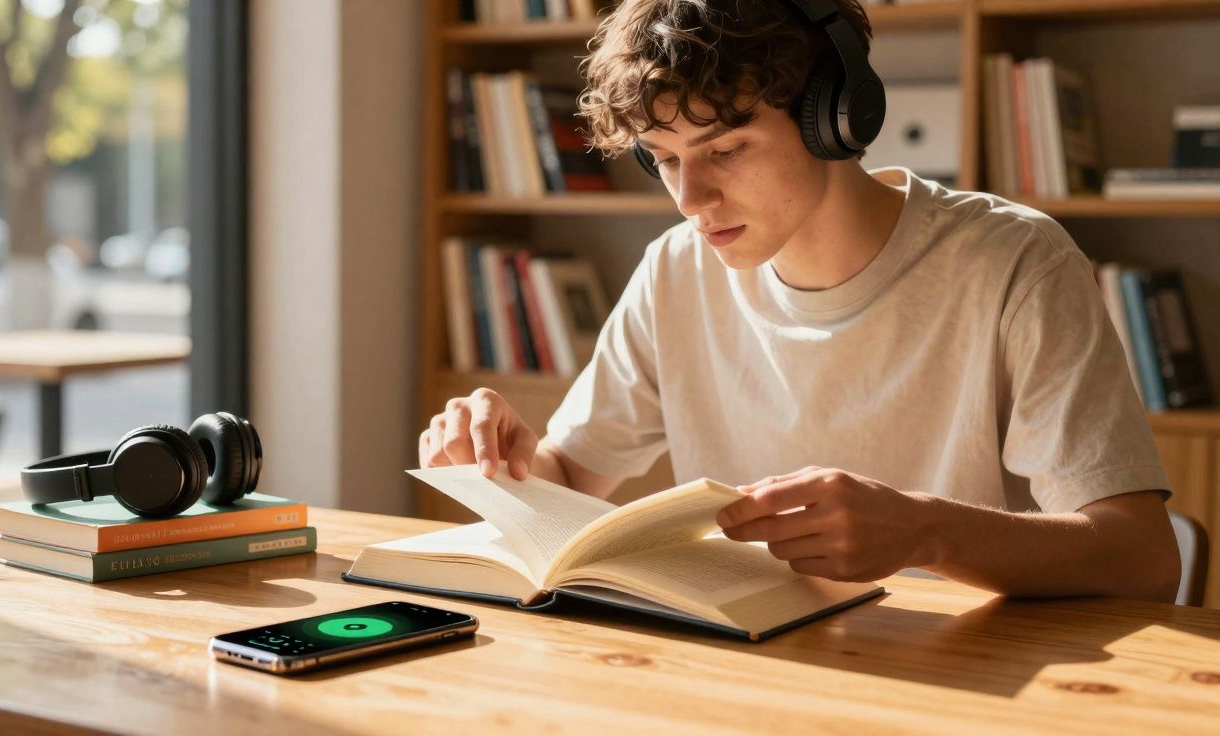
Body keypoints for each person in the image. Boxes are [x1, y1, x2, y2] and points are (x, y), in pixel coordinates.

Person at [419, 0, 1181, 602]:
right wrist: (499, 460)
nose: (690, 198)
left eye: (724, 150)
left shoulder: (1013, 262)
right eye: (664, 162)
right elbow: (570, 479)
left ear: (836, 118)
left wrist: (924, 534)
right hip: (758, 670)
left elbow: (1143, 558)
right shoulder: (676, 270)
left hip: (965, 681)